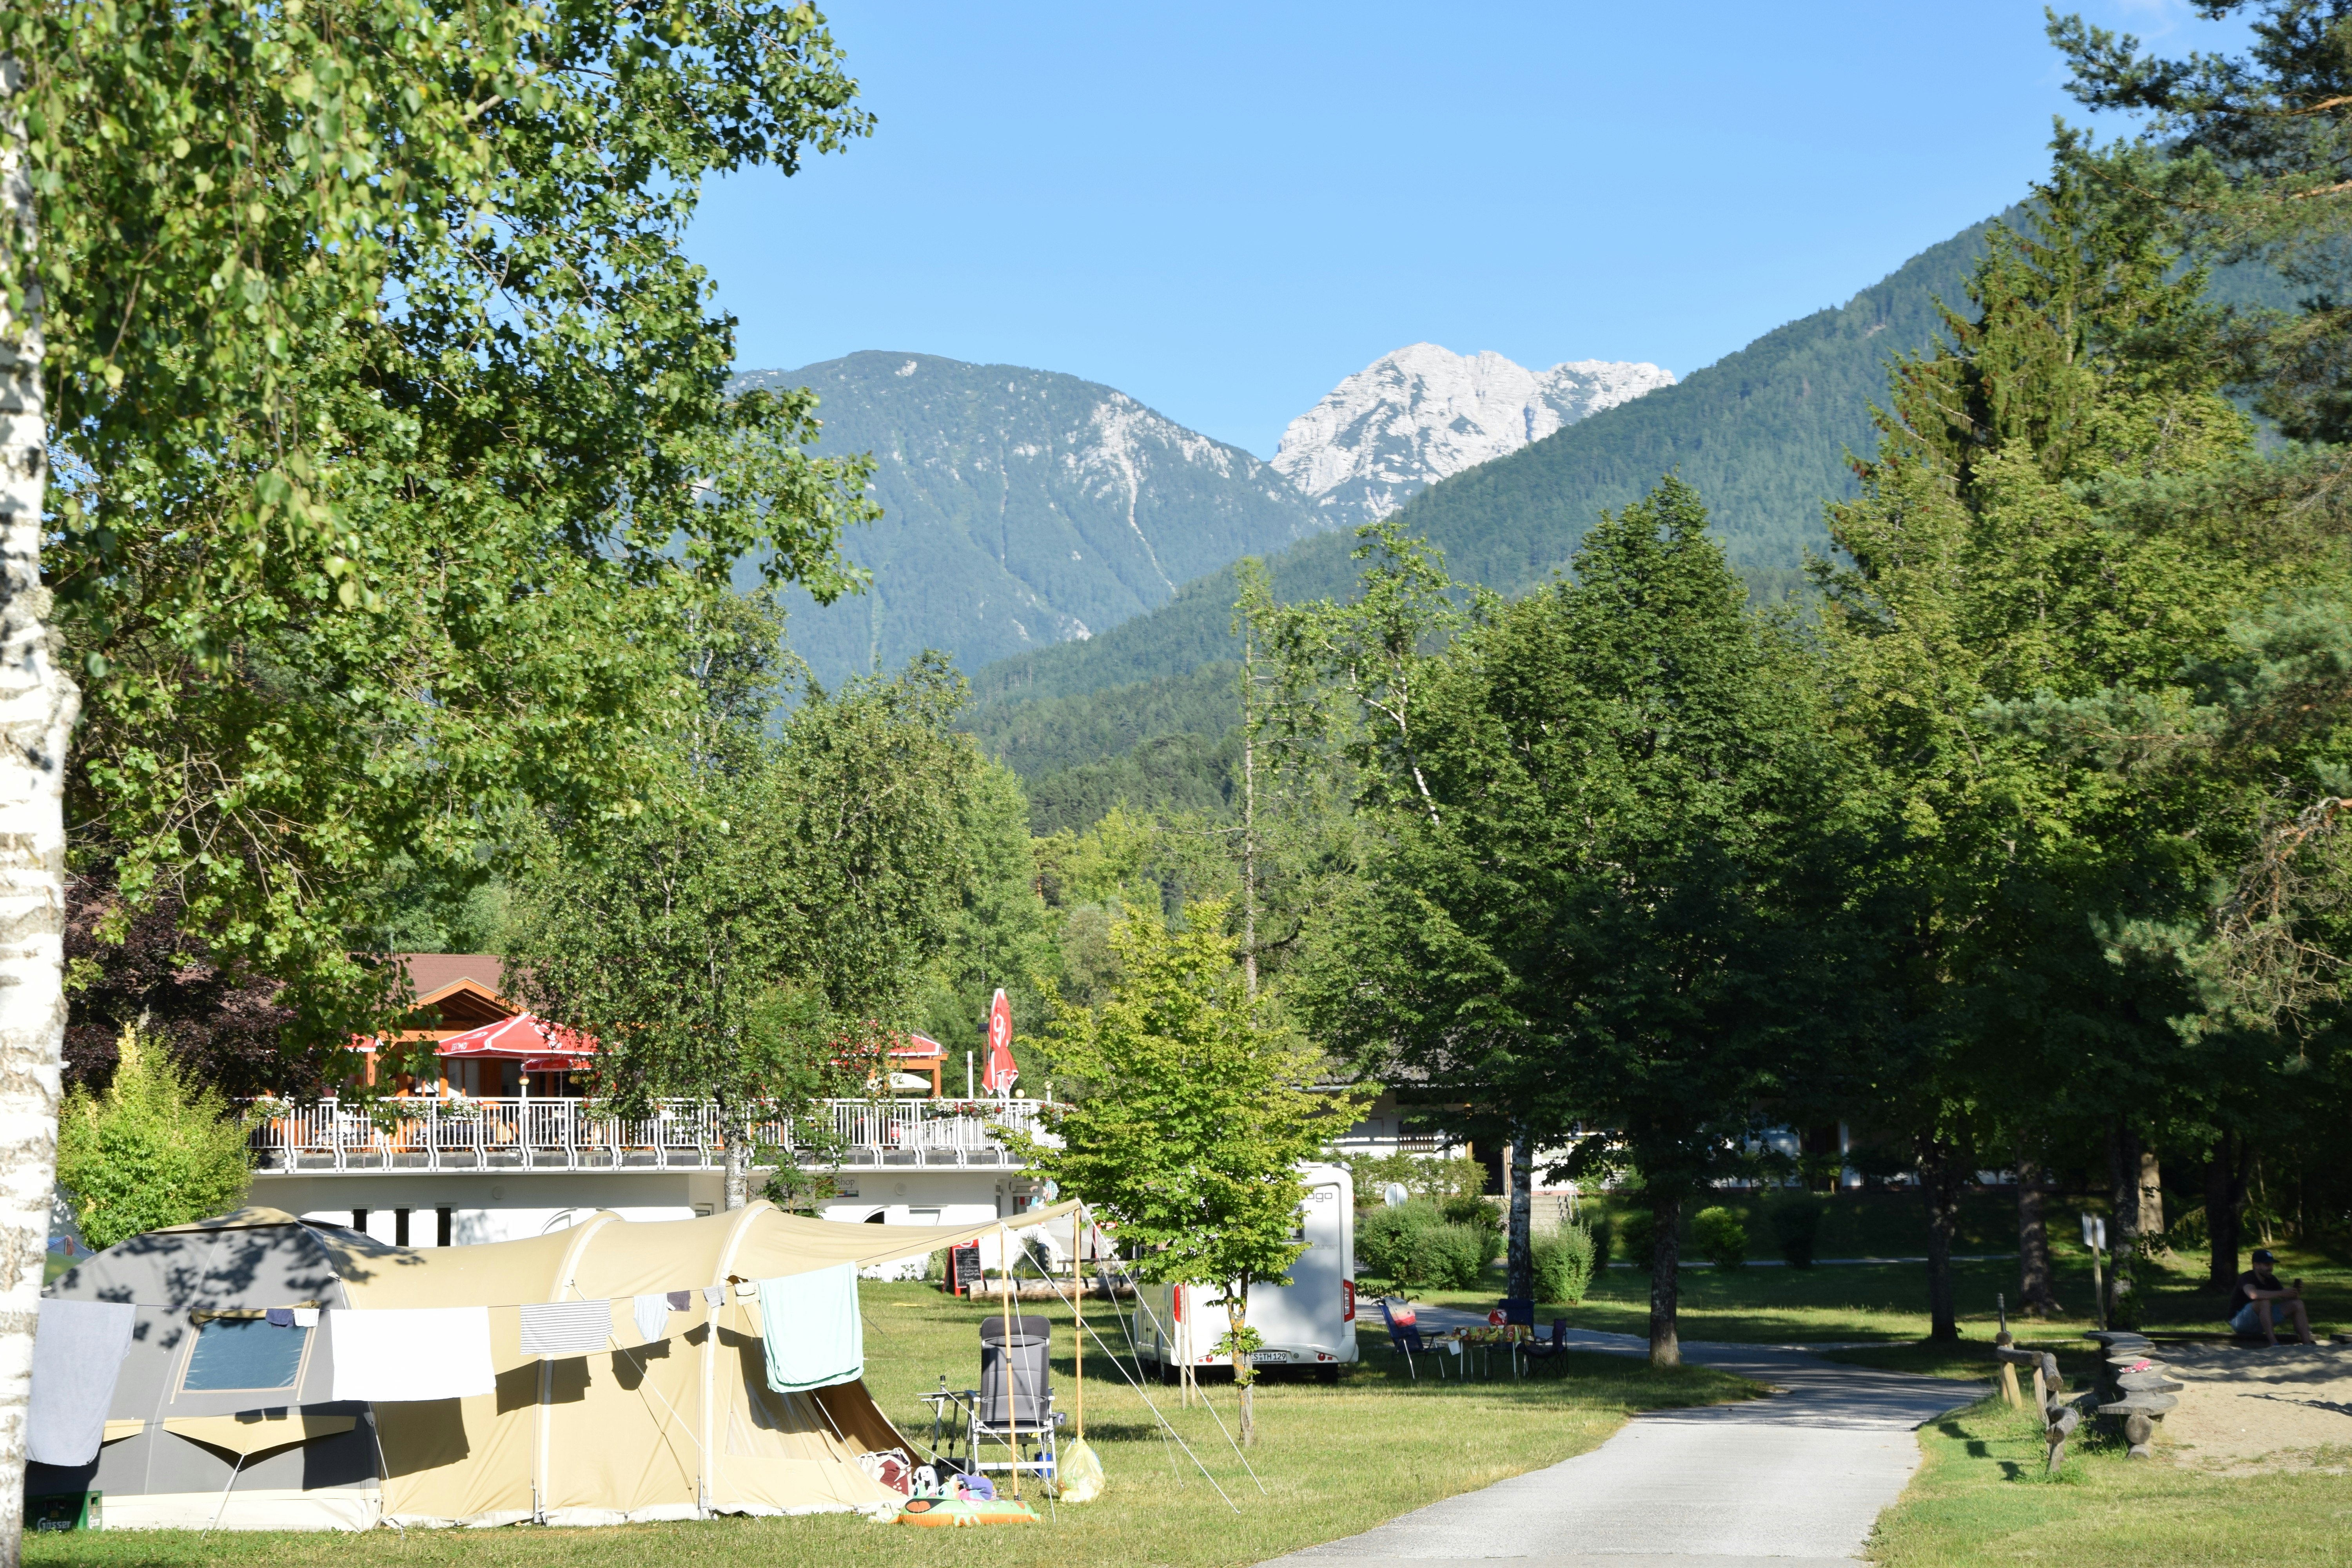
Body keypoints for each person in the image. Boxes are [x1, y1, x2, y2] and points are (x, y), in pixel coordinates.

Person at [2227, 1249, 2316, 1346]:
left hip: (2261, 1322)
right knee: (2264, 1302)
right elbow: (2253, 1295)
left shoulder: (2271, 1279)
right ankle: (2274, 1344)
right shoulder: (2247, 1277)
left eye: (2272, 1264)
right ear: (2256, 1265)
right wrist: (2281, 1293)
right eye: (2267, 1265)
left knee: (2298, 1304)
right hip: (2240, 1322)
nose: (2271, 1268)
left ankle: (2307, 1344)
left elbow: (2287, 1300)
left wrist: (2294, 1293)